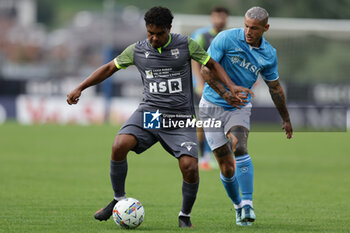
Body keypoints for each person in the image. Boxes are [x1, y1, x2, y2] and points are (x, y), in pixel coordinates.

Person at [67, 6, 251, 228]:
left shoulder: (185, 44)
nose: (153, 38)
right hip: (151, 113)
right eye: (149, 33)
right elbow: (108, 68)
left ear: (169, 29)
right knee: (119, 144)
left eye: (159, 33)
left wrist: (230, 87)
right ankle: (117, 199)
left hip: (179, 118)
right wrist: (80, 87)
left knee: (190, 166)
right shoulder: (138, 50)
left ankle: (185, 216)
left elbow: (211, 64)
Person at [199, 6, 293, 226]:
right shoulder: (226, 38)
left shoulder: (269, 54)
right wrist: (225, 92)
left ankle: (249, 204)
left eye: (255, 28)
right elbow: (205, 71)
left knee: (239, 146)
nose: (249, 31)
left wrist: (286, 118)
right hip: (211, 105)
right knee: (226, 165)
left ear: (265, 28)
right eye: (246, 26)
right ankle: (238, 206)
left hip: (239, 107)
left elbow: (275, 88)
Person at [191, 6, 229, 170]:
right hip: (203, 87)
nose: (219, 19)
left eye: (223, 16)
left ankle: (222, 156)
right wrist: (198, 82)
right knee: (201, 122)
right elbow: (194, 60)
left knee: (222, 123)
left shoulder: (229, 37)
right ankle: (203, 157)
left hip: (222, 87)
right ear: (212, 17)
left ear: (226, 18)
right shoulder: (202, 36)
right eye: (216, 15)